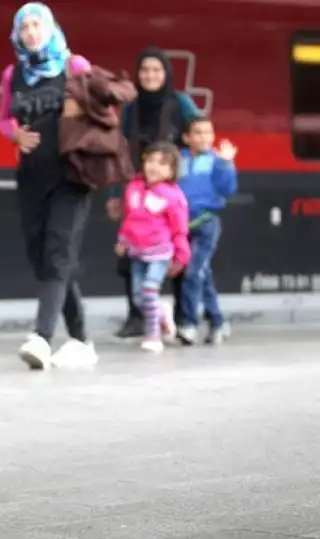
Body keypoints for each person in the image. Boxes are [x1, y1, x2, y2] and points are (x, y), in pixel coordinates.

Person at [0, 2, 98, 371]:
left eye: (37, 25)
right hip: (32, 177)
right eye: (24, 28)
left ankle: (42, 336)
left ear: (51, 28)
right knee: (46, 256)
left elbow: (103, 112)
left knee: (58, 251)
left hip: (71, 177)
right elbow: (4, 118)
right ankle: (83, 340)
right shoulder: (14, 74)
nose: (31, 33)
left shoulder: (76, 67)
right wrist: (15, 135)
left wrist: (80, 114)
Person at [107, 47, 201, 339]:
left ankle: (185, 319)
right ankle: (138, 317)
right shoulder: (132, 107)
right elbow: (120, 149)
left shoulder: (180, 103)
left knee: (178, 256)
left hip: (174, 193)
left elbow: (198, 134)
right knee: (133, 253)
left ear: (166, 74)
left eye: (156, 70)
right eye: (145, 70)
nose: (150, 75)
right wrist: (115, 193)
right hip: (137, 189)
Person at [115, 141, 190, 353]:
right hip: (137, 252)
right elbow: (128, 219)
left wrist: (181, 255)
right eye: (151, 161)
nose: (154, 167)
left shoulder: (173, 196)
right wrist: (123, 240)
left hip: (160, 253)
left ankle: (153, 335)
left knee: (149, 288)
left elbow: (180, 228)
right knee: (139, 298)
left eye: (163, 163)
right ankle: (162, 312)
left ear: (173, 171)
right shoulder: (133, 188)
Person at [177, 117, 237, 345]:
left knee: (193, 274)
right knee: (202, 275)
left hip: (206, 224)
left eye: (208, 132)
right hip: (182, 226)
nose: (203, 137)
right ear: (186, 138)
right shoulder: (179, 159)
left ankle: (189, 324)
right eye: (197, 133)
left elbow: (228, 189)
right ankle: (218, 322)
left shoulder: (217, 160)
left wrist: (226, 163)